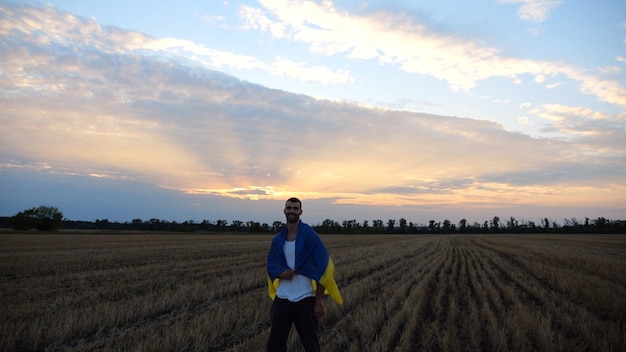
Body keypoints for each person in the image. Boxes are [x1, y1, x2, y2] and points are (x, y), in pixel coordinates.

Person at [266, 197, 342, 352]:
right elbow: (272, 266)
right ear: (284, 211)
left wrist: (319, 300)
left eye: (295, 208)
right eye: (289, 208)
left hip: (305, 299)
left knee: (311, 345)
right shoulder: (277, 240)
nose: (292, 211)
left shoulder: (311, 237)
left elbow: (322, 270)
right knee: (274, 346)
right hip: (282, 299)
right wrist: (281, 273)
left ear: (300, 211)